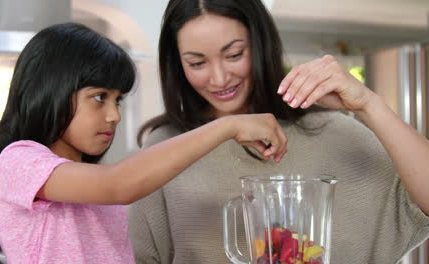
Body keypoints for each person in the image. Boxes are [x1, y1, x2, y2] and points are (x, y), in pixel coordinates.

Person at [127, 0, 429, 263]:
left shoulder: (335, 133)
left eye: (234, 55)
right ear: (177, 64)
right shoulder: (166, 145)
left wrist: (369, 104)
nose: (218, 78)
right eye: (197, 62)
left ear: (260, 45)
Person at [0, 22, 287, 264]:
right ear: (51, 89)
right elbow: (119, 184)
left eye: (117, 100)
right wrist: (226, 126)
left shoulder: (91, 193)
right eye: (99, 98)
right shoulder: (20, 160)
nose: (114, 116)